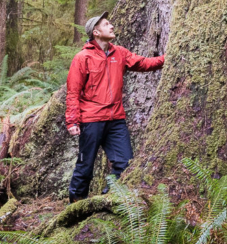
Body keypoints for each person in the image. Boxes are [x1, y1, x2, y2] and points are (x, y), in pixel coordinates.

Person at [65, 11, 164, 202]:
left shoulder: (120, 53)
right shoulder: (82, 58)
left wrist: (168, 58)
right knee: (85, 166)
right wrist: (72, 121)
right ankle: (75, 206)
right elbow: (73, 92)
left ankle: (106, 199)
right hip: (91, 120)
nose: (111, 26)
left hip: (116, 120)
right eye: (107, 24)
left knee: (125, 163)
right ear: (96, 32)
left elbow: (144, 63)